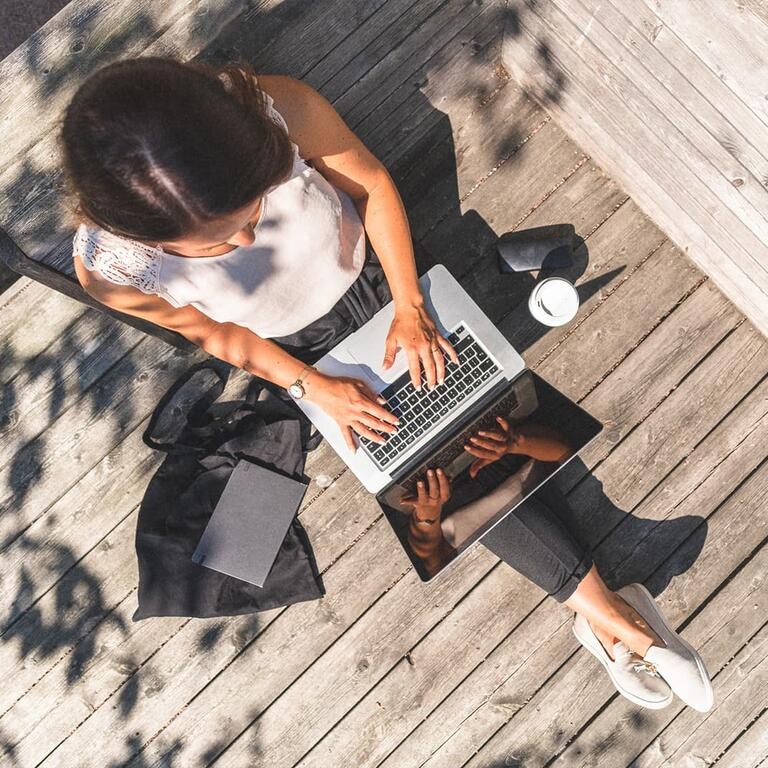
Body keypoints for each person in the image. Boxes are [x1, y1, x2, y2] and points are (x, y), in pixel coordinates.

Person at [60, 56, 713, 712]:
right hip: (304, 353)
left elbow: (370, 185)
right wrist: (311, 385)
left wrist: (410, 304)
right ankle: (612, 618)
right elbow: (215, 336)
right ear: (144, 235)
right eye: (222, 240)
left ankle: (611, 618)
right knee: (437, 466)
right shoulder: (112, 266)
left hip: (384, 281)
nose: (251, 234)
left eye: (253, 208)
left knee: (473, 423)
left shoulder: (267, 110)